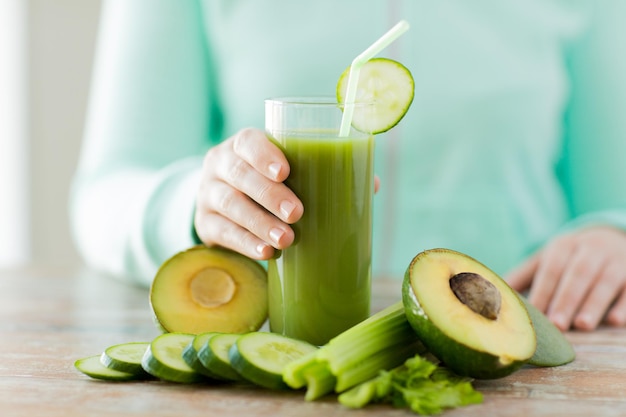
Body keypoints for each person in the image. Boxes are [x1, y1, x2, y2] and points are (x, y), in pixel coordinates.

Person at [70, 0, 626, 332]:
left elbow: (613, 195)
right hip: (273, 347)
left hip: (507, 343)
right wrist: (197, 205)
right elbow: (105, 193)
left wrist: (613, 232)